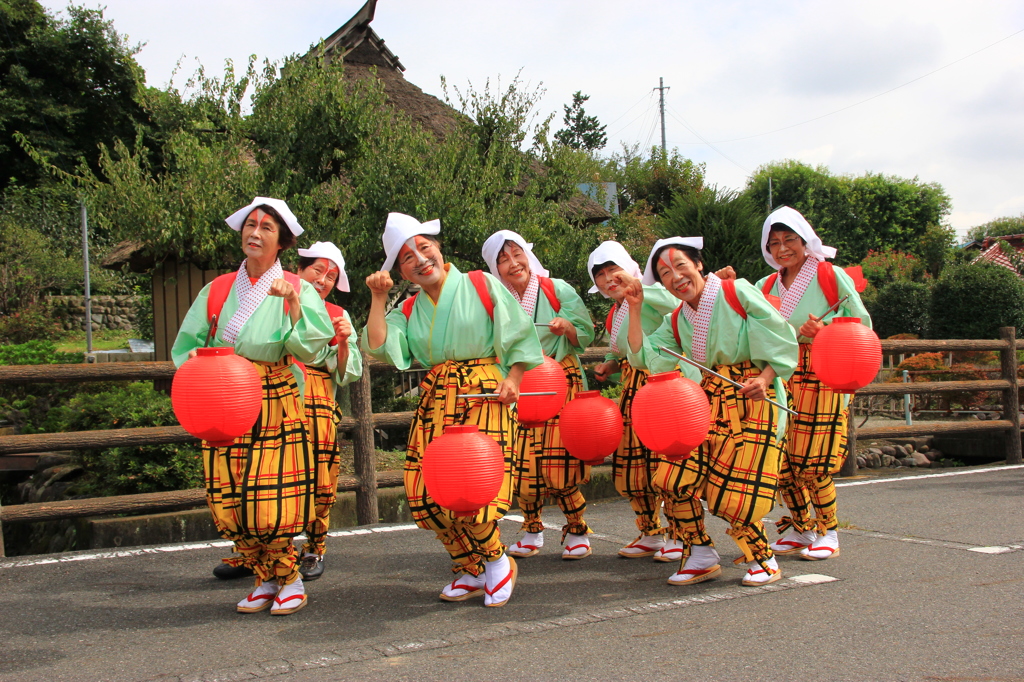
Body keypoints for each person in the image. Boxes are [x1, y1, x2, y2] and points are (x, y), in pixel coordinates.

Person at [361, 212, 543, 607]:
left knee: (473, 488)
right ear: (403, 272)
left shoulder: (479, 283)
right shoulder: (408, 309)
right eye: (407, 257)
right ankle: (468, 565)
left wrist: (513, 379)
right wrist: (377, 298)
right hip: (439, 397)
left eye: (423, 248)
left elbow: (519, 336)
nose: (418, 259)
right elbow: (377, 344)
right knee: (425, 492)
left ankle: (496, 561)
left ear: (439, 249)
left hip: (486, 394)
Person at [172, 197, 333, 615]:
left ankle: (289, 575)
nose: (255, 233)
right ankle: (264, 576)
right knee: (227, 497)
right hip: (221, 398)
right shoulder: (219, 288)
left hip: (273, 397)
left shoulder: (297, 288)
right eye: (251, 225)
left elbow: (312, 349)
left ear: (281, 242)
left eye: (266, 228)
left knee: (269, 497)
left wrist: (294, 304)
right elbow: (189, 344)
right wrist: (193, 360)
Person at [621, 237, 799, 586]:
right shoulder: (676, 320)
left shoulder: (738, 293)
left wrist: (764, 378)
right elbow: (644, 357)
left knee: (736, 494)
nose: (675, 277)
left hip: (753, 401)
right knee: (672, 480)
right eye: (664, 273)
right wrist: (636, 309)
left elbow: (782, 337)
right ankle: (699, 552)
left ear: (699, 264)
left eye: (681, 266)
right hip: (706, 403)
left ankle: (763, 557)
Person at [756, 207, 872, 561]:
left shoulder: (830, 276)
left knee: (814, 458)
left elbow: (860, 321)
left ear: (806, 241)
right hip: (782, 372)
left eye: (789, 239)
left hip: (822, 370)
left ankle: (829, 530)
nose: (782, 248)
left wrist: (824, 330)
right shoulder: (765, 285)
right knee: (782, 458)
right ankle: (800, 525)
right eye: (774, 242)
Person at [481, 230, 596, 560]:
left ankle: (576, 529)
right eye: (503, 260)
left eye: (517, 254)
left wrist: (567, 327)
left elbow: (585, 335)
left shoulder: (557, 289)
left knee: (559, 461)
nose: (513, 264)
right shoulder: (495, 300)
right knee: (521, 462)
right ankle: (532, 529)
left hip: (559, 378)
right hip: (519, 385)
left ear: (528, 255)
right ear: (495, 268)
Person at [586, 241, 682, 561]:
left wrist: (640, 289)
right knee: (632, 465)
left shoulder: (654, 292)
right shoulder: (615, 313)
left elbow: (679, 305)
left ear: (630, 267)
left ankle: (680, 534)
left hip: (662, 386)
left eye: (613, 269)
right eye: (600, 274)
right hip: (631, 389)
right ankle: (650, 530)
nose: (608, 278)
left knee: (664, 463)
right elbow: (628, 352)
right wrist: (611, 365)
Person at [293, 241, 363, 579]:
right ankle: (256, 551)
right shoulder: (274, 300)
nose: (323, 280)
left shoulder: (338, 314)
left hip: (318, 397)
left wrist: (345, 342)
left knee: (320, 476)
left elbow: (346, 372)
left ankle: (314, 547)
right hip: (274, 391)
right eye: (317, 271)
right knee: (262, 473)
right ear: (299, 271)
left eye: (331, 276)